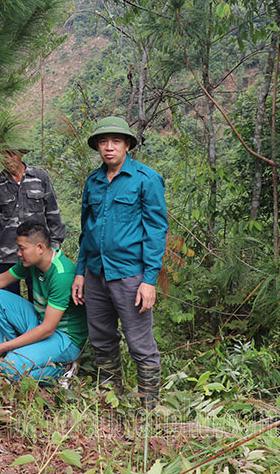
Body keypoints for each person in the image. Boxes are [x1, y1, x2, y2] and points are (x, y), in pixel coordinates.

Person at [71, 116, 167, 409]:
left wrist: (149, 280)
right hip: (96, 273)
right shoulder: (94, 180)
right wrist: (80, 272)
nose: (109, 147)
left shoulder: (146, 179)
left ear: (127, 145)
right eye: (103, 142)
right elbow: (87, 229)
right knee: (102, 339)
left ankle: (148, 408)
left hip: (130, 276)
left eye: (115, 141)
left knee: (140, 344)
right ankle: (110, 399)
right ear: (98, 147)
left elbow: (156, 230)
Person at [0, 220, 87, 383]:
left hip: (64, 337)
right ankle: (14, 351)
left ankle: (63, 369)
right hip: (40, 321)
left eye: (22, 248)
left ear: (40, 248)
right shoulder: (33, 262)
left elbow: (47, 329)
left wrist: (1, 347)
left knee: (10, 370)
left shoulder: (61, 275)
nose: (18, 253)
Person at [0, 146, 65, 297]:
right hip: (5, 256)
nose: (7, 160)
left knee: (39, 300)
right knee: (7, 302)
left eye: (11, 154)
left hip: (37, 254)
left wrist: (54, 248)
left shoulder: (40, 177)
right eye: (3, 155)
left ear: (20, 154)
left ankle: (38, 322)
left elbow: (53, 213)